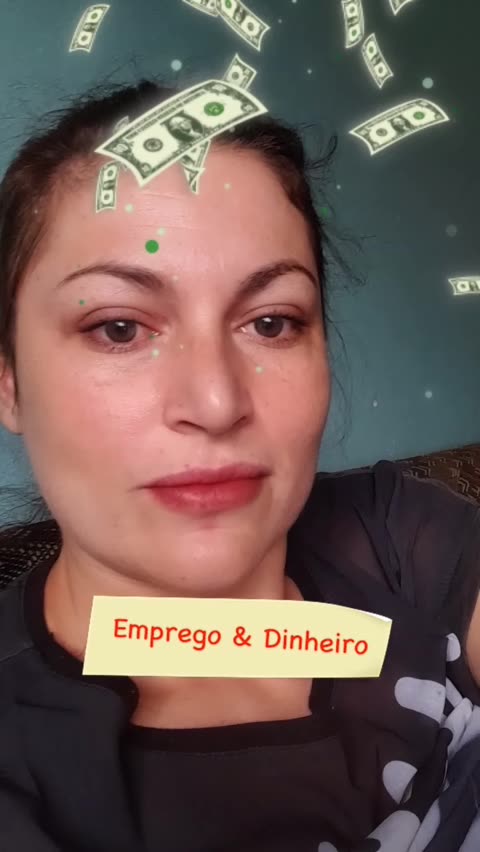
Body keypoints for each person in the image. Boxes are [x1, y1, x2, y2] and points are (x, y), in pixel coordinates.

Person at [0, 78, 478, 852]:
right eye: (119, 328)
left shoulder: (398, 533)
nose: (217, 402)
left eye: (272, 322)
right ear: (9, 382)